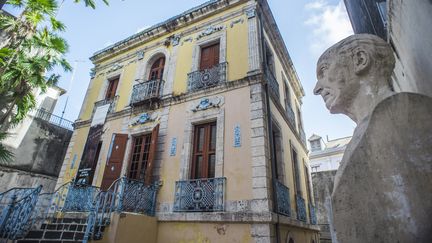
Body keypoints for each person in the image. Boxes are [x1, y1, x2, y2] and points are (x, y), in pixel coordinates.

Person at [314, 34, 432, 243]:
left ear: (360, 60)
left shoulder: (410, 117)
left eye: (323, 71)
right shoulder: (370, 129)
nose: (317, 89)